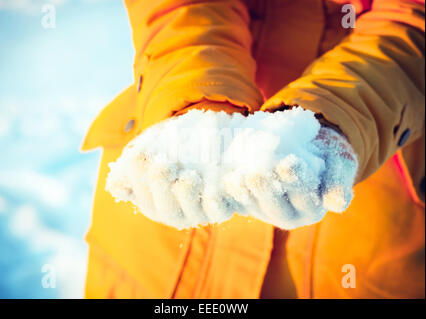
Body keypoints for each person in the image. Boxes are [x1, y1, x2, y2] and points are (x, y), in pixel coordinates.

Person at [81, 0, 425, 298]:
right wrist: (198, 102)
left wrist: (338, 113)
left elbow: (413, 20)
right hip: (161, 250)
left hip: (369, 213)